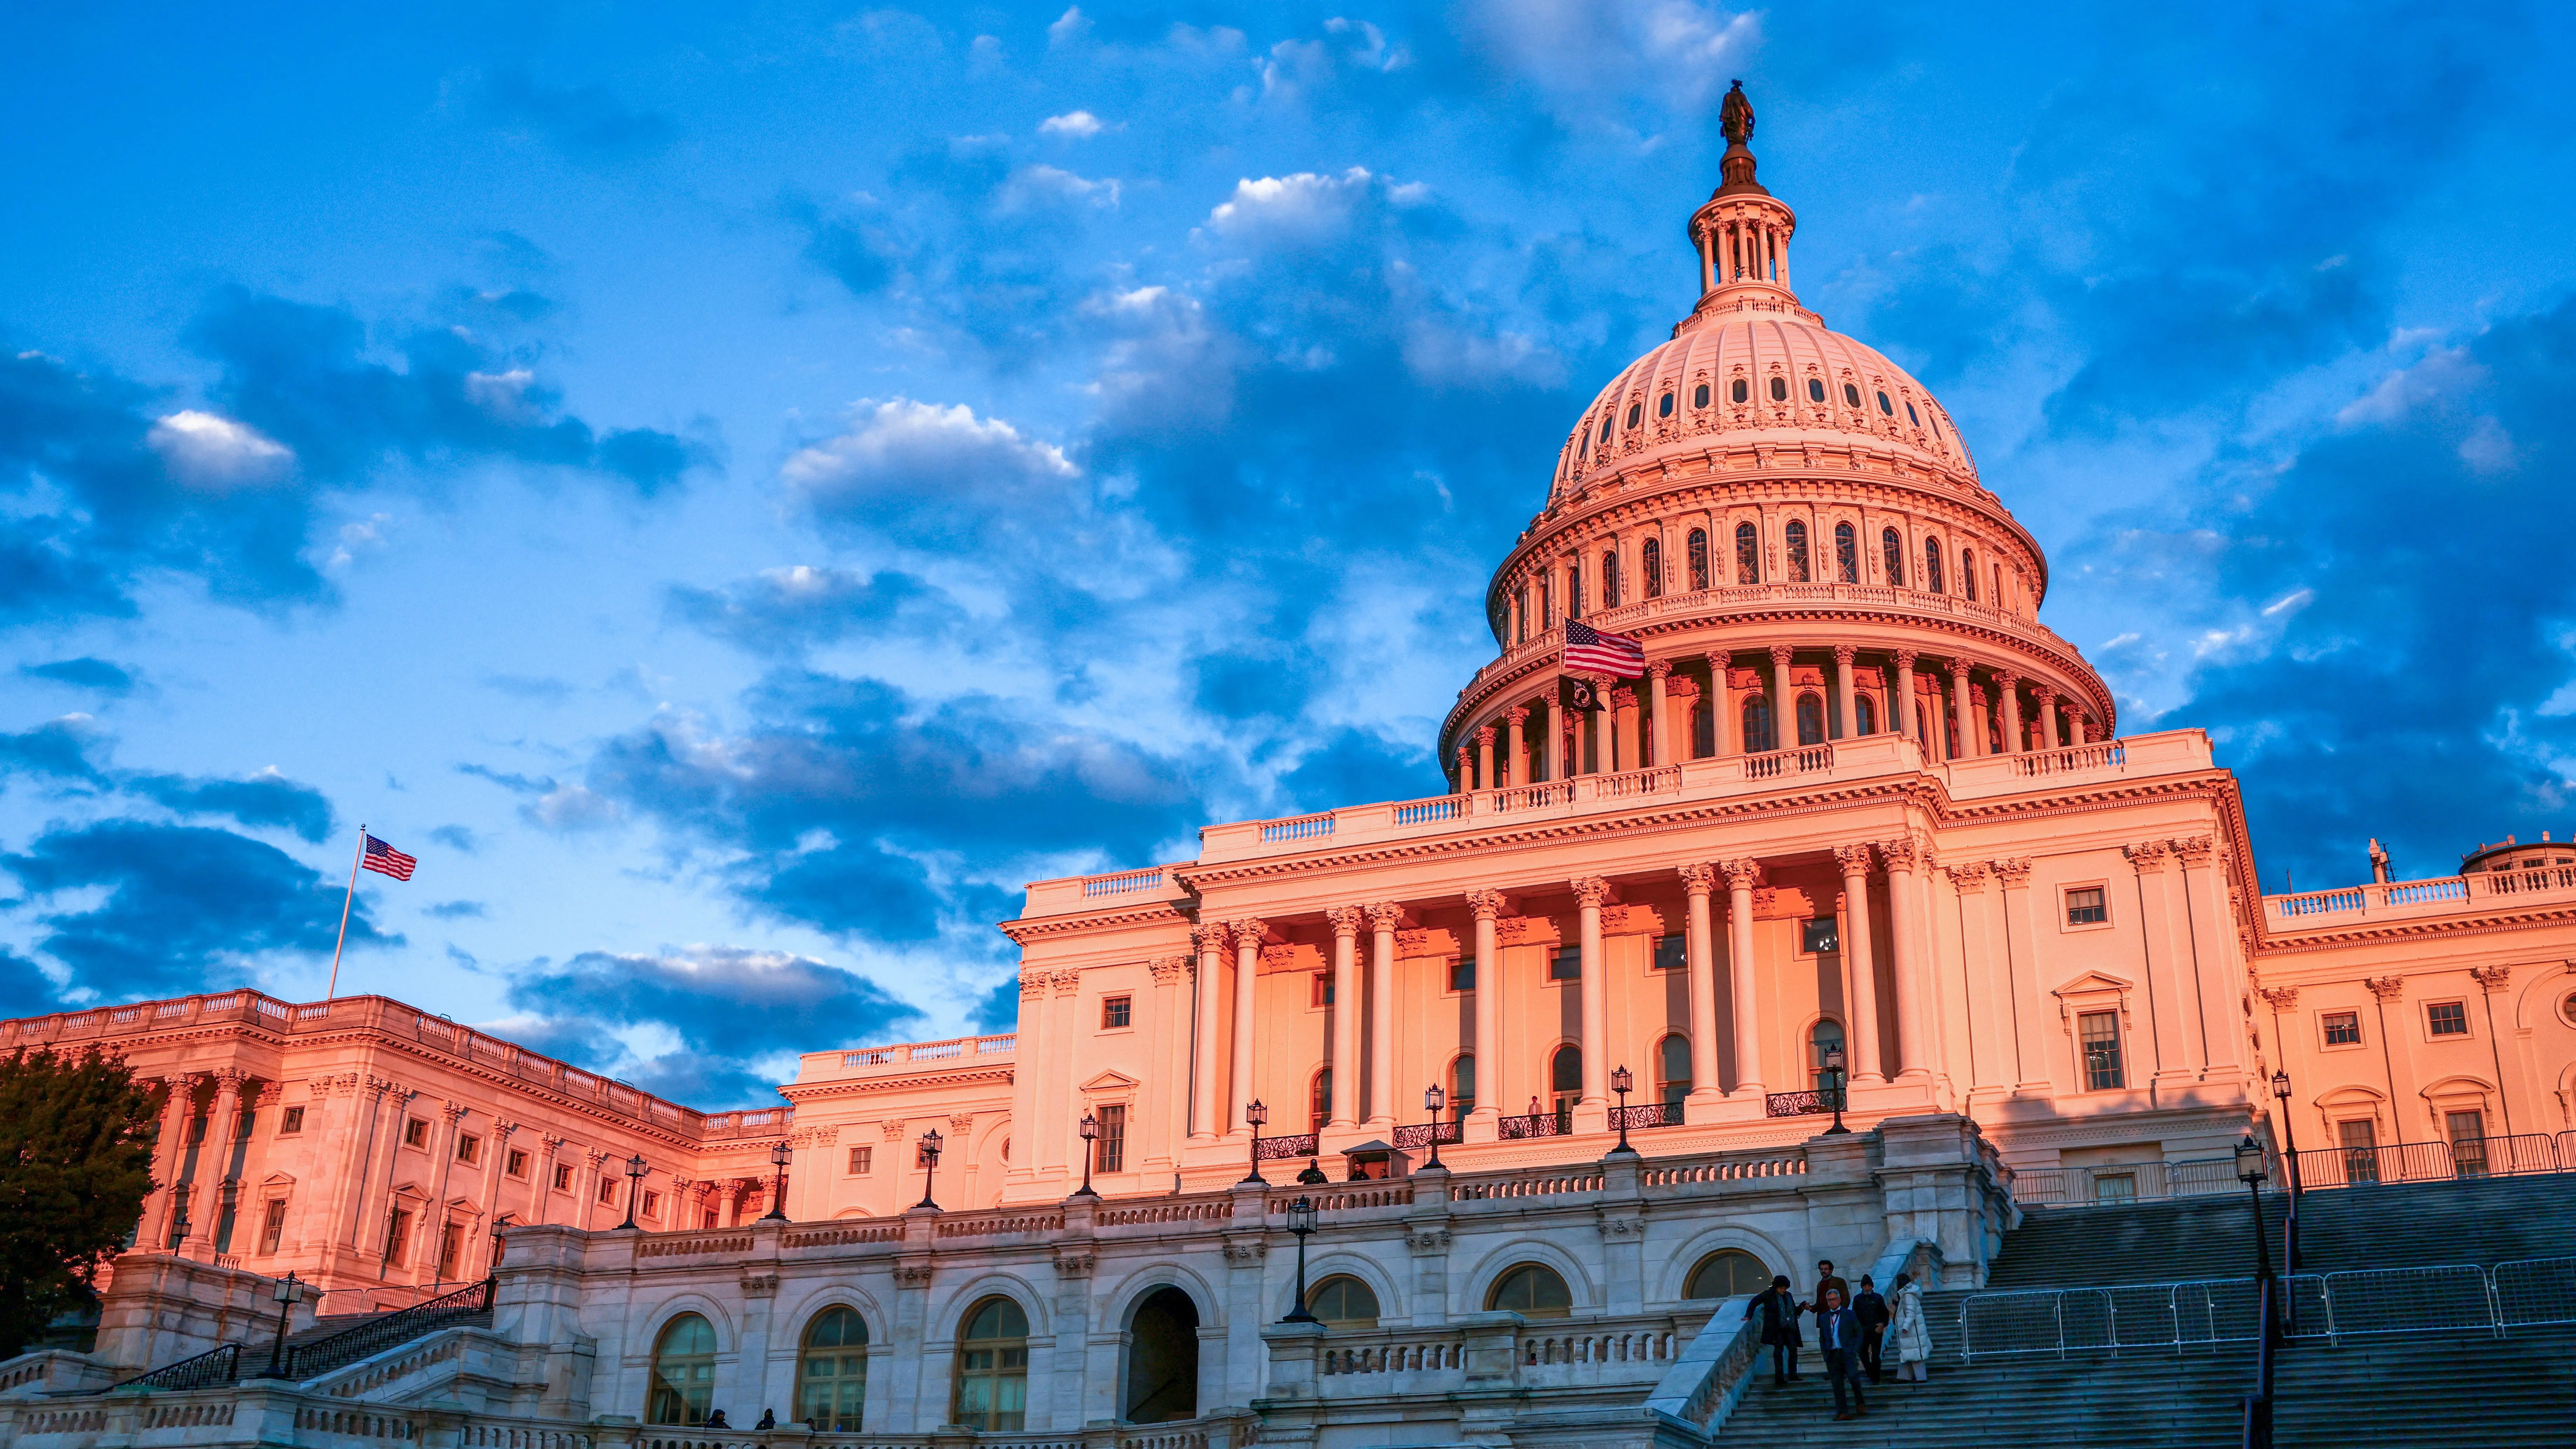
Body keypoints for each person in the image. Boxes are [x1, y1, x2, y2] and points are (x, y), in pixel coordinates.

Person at [1814, 1286, 1868, 1421]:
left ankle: (1860, 1402)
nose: (1832, 1302)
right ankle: (1843, 1411)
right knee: (1837, 1384)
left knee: (1854, 1378)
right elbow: (1822, 1337)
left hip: (1847, 1352)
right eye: (1829, 1300)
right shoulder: (1824, 1318)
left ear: (1839, 1300)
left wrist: (1854, 1349)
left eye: (1834, 1299)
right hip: (1833, 1354)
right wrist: (1825, 1354)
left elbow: (1859, 1332)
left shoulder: (1849, 1314)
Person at [1742, 1274, 1803, 1386]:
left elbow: (1794, 1311)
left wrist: (1803, 1307)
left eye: (1785, 1288)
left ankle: (1793, 1374)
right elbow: (1754, 1302)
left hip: (1790, 1328)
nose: (1784, 1291)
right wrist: (1749, 1316)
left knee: (1793, 1350)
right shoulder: (1769, 1295)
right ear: (1776, 1287)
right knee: (1778, 1352)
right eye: (1782, 1288)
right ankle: (1779, 1378)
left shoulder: (1788, 1296)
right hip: (1777, 1329)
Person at [1888, 1271, 1931, 1383]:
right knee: (1908, 1354)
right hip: (1913, 1330)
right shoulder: (1909, 1294)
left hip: (1912, 1331)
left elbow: (1911, 1313)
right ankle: (1904, 1377)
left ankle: (1920, 1378)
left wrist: (1905, 1327)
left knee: (1914, 1355)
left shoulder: (1907, 1295)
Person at [1852, 1273, 1889, 1384]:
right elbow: (1855, 1315)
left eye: (1869, 1286)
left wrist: (1883, 1324)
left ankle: (1876, 1378)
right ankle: (1870, 1372)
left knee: (1876, 1355)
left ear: (1872, 1287)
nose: (1867, 1288)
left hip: (1876, 1331)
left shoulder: (1878, 1298)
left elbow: (1885, 1314)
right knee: (1863, 1354)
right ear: (1862, 1287)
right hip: (1863, 1331)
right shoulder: (1858, 1299)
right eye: (1865, 1286)